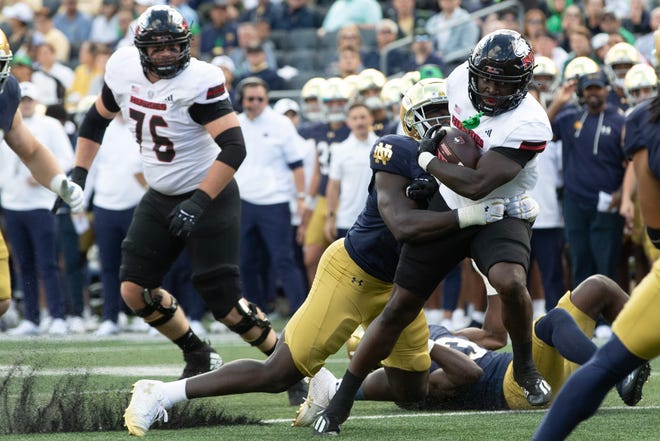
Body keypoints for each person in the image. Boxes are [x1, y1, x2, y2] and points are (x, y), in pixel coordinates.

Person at [121, 78, 510, 437]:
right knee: (279, 372)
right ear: (412, 121)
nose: (442, 121)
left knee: (412, 388)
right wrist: (470, 216)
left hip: (401, 287)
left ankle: (331, 385)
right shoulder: (398, 149)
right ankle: (162, 393)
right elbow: (403, 225)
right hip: (353, 272)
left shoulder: (467, 164)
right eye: (433, 113)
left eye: (448, 112)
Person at [313, 29, 554, 435]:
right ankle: (340, 402)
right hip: (450, 202)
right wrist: (439, 148)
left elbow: (478, 184)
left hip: (498, 207)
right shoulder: (460, 78)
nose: (491, 89)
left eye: (502, 82)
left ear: (524, 84)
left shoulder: (529, 122)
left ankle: (526, 367)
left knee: (510, 280)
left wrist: (426, 160)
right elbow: (454, 136)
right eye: (486, 79)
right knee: (399, 307)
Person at [62, 5, 287, 385]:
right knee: (134, 290)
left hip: (208, 193)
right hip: (161, 193)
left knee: (225, 305)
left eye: (173, 46)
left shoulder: (199, 80)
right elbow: (96, 118)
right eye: (157, 47)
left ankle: (289, 367)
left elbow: (234, 147)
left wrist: (198, 202)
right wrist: (79, 174)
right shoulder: (122, 68)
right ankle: (197, 351)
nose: (166, 53)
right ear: (140, 48)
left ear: (186, 45)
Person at [532, 34, 660, 440]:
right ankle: (598, 320)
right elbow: (542, 130)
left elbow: (655, 226)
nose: (592, 94)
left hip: (609, 203)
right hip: (579, 199)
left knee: (605, 364)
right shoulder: (575, 119)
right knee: (586, 260)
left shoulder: (634, 120)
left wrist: (623, 197)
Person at [299, 274, 648, 417]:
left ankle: (647, 337)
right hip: (519, 391)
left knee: (597, 287)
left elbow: (494, 336)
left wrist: (491, 276)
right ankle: (616, 372)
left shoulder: (435, 335)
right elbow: (470, 372)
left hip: (545, 371)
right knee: (550, 322)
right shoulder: (411, 376)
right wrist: (422, 344)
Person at [0, 29, 84, 324]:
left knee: (1, 299)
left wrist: (59, 181)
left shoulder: (8, 91)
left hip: (26, 203)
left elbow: (30, 148)